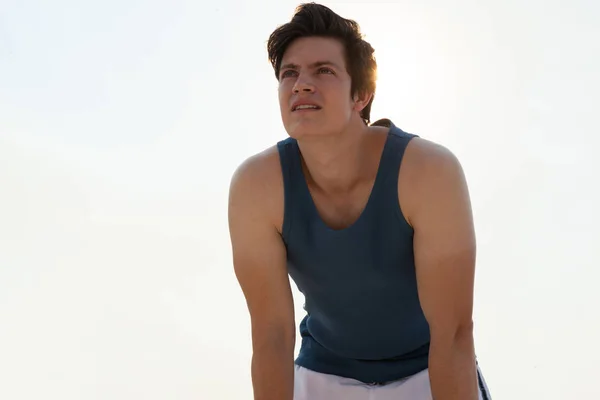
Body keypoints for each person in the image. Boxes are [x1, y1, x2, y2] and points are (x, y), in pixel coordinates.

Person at [227, 3, 492, 399]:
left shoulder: (428, 172)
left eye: (324, 71)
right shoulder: (257, 186)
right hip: (322, 377)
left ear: (362, 94)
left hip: (426, 372)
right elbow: (272, 336)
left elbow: (453, 334)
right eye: (289, 74)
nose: (301, 84)